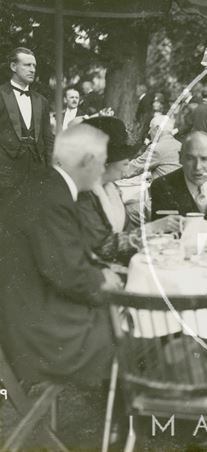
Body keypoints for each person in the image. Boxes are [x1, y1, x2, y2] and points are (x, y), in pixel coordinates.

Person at [0, 124, 122, 386]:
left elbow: (64, 258)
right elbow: (67, 274)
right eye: (102, 163)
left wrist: (98, 273)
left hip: (25, 312)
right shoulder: (53, 197)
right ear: (88, 161)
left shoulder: (46, 185)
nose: (103, 170)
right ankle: (128, 413)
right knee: (128, 324)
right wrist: (102, 280)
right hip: (38, 333)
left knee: (122, 316)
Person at [76, 117, 181, 264]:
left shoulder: (112, 188)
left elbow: (127, 233)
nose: (127, 162)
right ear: (105, 160)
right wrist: (154, 228)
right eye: (121, 156)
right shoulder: (83, 194)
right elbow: (102, 247)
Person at [150, 131, 207, 227]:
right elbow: (160, 236)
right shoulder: (162, 186)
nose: (197, 167)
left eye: (204, 159)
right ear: (180, 158)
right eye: (190, 158)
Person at [0, 47, 54, 201]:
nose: (32, 70)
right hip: (6, 172)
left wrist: (49, 170)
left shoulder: (41, 101)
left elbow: (47, 138)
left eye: (34, 66)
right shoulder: (1, 94)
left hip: (36, 171)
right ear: (13, 67)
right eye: (27, 65)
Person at [124, 115, 181, 180]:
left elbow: (133, 169)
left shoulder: (157, 148)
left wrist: (113, 170)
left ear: (157, 128)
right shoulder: (180, 145)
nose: (149, 132)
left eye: (150, 128)